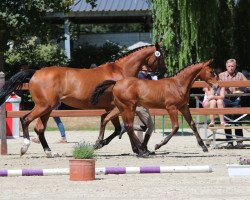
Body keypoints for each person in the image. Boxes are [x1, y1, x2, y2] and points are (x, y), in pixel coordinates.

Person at [219, 58, 248, 148]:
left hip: (236, 98)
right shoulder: (221, 75)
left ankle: (239, 141)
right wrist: (223, 86)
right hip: (225, 98)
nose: (231, 68)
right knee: (227, 120)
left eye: (232, 66)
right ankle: (229, 142)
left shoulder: (240, 75)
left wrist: (242, 88)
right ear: (226, 66)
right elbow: (216, 87)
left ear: (235, 66)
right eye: (229, 66)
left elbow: (247, 85)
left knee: (237, 119)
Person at [134, 65, 154, 142]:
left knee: (143, 126)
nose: (147, 71)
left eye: (147, 70)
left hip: (144, 104)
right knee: (149, 126)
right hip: (141, 104)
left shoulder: (148, 76)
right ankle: (141, 143)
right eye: (145, 70)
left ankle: (140, 141)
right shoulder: (140, 75)